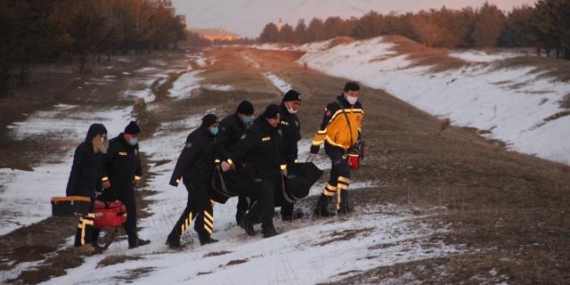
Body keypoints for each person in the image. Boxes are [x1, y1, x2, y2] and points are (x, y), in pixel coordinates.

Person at [221, 104, 286, 238]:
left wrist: (283, 166)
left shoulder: (277, 129)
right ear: (267, 118)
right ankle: (268, 229)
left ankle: (248, 220)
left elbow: (281, 150)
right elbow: (240, 147)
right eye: (274, 119)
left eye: (278, 119)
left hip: (272, 170)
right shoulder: (256, 130)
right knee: (268, 198)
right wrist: (229, 160)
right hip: (258, 171)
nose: (277, 122)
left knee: (266, 198)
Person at [309, 82, 364, 216]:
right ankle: (342, 207)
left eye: (356, 95)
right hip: (333, 146)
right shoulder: (334, 107)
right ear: (345, 93)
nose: (354, 97)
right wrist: (315, 146)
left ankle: (321, 207)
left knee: (335, 178)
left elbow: (358, 127)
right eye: (351, 94)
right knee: (344, 173)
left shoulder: (359, 108)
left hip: (348, 148)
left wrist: (358, 143)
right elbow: (323, 128)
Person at [167, 114, 220, 248]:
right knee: (206, 206)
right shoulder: (197, 138)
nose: (216, 129)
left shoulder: (211, 137)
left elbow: (213, 155)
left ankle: (174, 237)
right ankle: (205, 236)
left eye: (217, 126)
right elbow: (184, 158)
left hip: (204, 179)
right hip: (194, 180)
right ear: (207, 126)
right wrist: (175, 178)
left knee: (193, 209)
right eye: (214, 126)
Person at [97, 121, 150, 249]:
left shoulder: (134, 146)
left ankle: (134, 241)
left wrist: (137, 176)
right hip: (111, 187)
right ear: (126, 134)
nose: (135, 139)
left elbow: (137, 162)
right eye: (133, 136)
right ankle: (93, 240)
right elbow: (101, 164)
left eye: (136, 136)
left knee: (131, 214)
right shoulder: (113, 145)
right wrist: (104, 180)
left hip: (127, 187)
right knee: (99, 212)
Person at [66, 123, 108, 254]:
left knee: (88, 217)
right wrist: (70, 191)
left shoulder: (98, 152)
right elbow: (75, 170)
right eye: (101, 136)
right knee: (87, 217)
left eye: (105, 136)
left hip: (90, 189)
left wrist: (98, 186)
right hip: (81, 189)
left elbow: (97, 171)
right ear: (94, 136)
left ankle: (81, 244)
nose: (103, 138)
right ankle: (84, 244)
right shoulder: (82, 149)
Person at [217, 100, 255, 227]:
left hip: (244, 161)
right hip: (231, 163)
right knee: (243, 189)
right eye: (247, 115)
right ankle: (242, 217)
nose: (249, 118)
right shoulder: (227, 124)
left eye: (250, 115)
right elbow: (220, 145)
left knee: (249, 189)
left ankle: (248, 215)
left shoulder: (247, 124)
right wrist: (228, 160)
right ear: (240, 114)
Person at [278, 90, 303, 221]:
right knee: (272, 188)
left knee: (291, 185)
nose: (296, 106)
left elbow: (295, 138)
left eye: (298, 104)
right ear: (286, 101)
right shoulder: (277, 115)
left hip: (291, 158)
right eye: (295, 103)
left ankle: (287, 214)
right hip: (276, 159)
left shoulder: (294, 118)